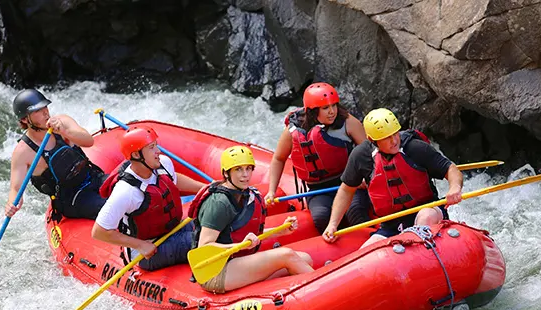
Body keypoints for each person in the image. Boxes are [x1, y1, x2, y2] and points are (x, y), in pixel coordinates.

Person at [322, 108, 463, 248]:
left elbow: (451, 169)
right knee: (366, 251)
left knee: (425, 217)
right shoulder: (361, 156)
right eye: (386, 137)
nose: (394, 140)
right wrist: (333, 224)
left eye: (395, 134)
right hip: (391, 224)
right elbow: (346, 190)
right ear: (373, 140)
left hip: (428, 209)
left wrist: (455, 188)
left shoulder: (415, 147)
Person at [189, 145, 314, 294]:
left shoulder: (245, 194)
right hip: (216, 271)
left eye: (248, 168)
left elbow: (246, 235)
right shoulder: (219, 203)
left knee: (304, 259)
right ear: (226, 173)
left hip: (236, 262)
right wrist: (241, 246)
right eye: (238, 169)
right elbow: (205, 247)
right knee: (286, 255)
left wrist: (281, 230)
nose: (245, 175)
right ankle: (319, 292)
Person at [92, 126, 206, 271]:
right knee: (201, 240)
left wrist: (205, 187)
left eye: (156, 145)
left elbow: (173, 179)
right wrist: (140, 245)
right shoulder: (125, 191)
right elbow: (99, 231)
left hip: (172, 229)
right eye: (152, 147)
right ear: (136, 155)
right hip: (147, 250)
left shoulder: (162, 163)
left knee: (213, 225)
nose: (158, 151)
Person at [265, 82, 371, 232]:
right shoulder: (294, 129)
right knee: (321, 219)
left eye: (334, 106)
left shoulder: (348, 122)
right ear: (313, 111)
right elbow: (279, 158)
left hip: (349, 183)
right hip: (318, 189)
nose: (332, 112)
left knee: (355, 212)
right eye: (325, 108)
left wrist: (365, 178)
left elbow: (368, 152)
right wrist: (271, 191)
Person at [6, 88, 106, 221]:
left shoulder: (62, 121)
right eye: (38, 111)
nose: (45, 112)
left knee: (130, 186)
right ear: (25, 119)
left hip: (93, 177)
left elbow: (89, 141)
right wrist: (12, 204)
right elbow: (16, 188)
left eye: (45, 107)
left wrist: (64, 131)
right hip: (73, 198)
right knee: (112, 207)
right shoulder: (23, 151)